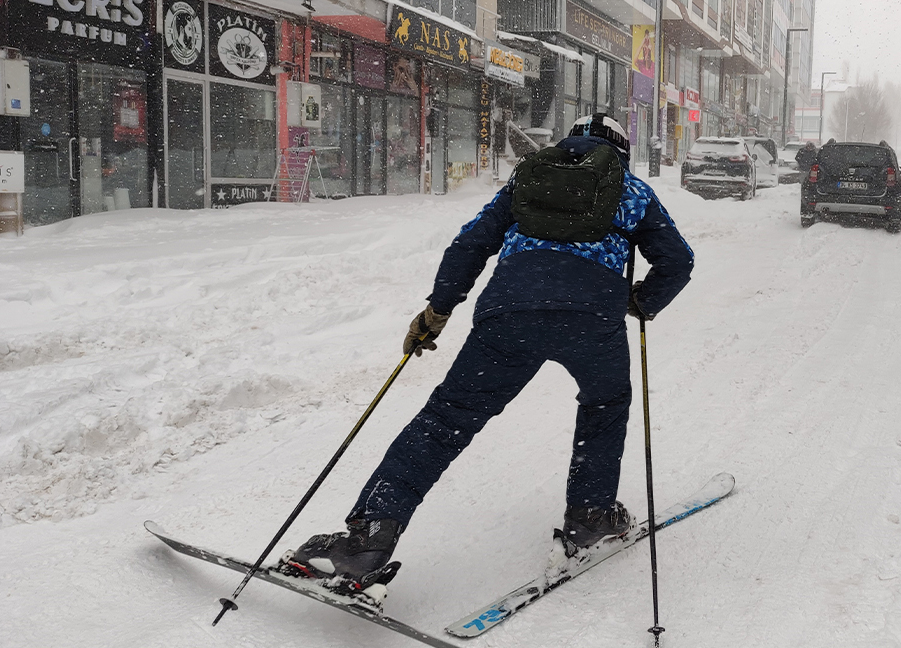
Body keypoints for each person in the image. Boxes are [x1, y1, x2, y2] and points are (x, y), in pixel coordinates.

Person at [280, 114, 695, 594]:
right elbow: (677, 261)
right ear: (622, 149)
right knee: (604, 405)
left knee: (445, 420)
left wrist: (437, 311)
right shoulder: (634, 192)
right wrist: (641, 302)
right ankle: (590, 516)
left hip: (508, 314)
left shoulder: (529, 176)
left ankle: (368, 537)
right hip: (592, 325)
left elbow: (471, 243)